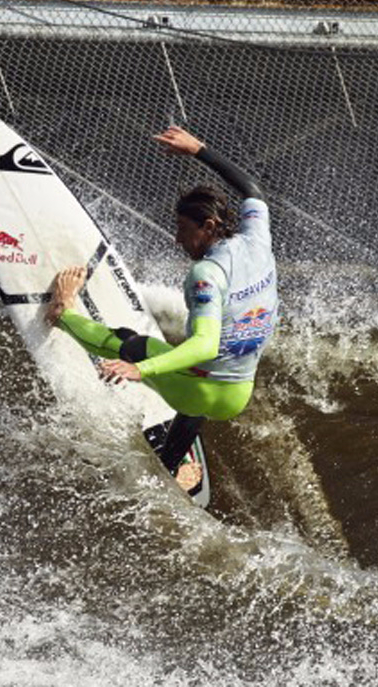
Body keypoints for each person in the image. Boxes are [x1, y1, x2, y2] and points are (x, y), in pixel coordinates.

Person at [45, 126, 278, 492]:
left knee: (130, 342)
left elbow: (205, 345)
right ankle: (169, 463)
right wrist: (198, 149)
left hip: (205, 389)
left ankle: (63, 313)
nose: (177, 239)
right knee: (197, 377)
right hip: (238, 392)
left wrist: (140, 369)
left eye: (184, 229)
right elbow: (252, 188)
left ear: (210, 226)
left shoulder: (206, 274)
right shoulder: (257, 240)